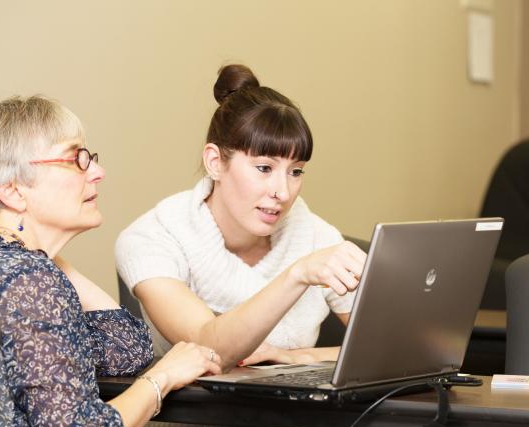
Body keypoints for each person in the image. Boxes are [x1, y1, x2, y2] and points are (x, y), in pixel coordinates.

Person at [0, 96, 222, 427]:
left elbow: (124, 349)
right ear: (12, 191)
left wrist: (42, 250)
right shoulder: (27, 281)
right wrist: (165, 375)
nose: (98, 172)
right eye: (76, 159)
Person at [116, 64, 367, 370]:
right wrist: (297, 275)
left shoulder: (316, 235)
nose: (283, 192)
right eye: (264, 168)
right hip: (196, 414)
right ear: (215, 162)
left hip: (305, 413)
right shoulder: (152, 237)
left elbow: (393, 348)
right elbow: (207, 347)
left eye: (296, 171)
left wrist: (296, 357)